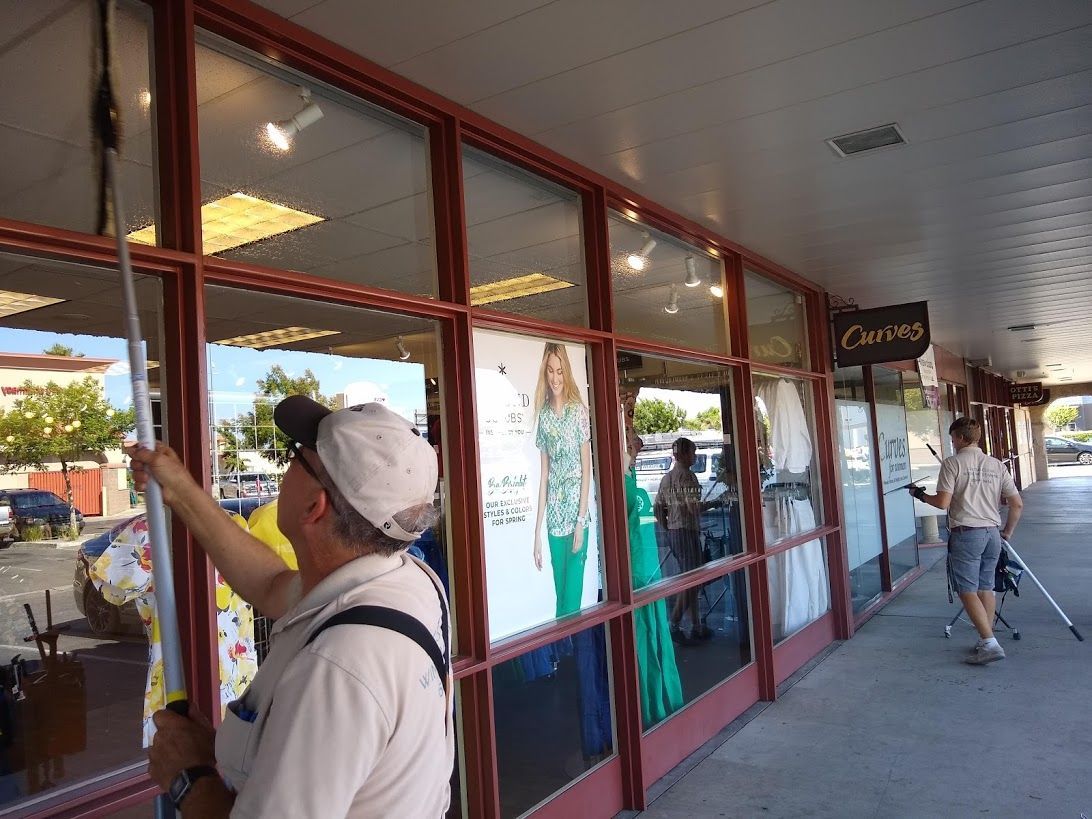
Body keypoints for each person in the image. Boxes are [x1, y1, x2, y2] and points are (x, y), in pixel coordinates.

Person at [129, 399, 453, 817]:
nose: (285, 469)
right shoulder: (404, 580)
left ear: (314, 506)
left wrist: (187, 775)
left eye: (296, 457)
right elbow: (269, 584)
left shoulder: (338, 665)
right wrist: (180, 489)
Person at [909, 417, 1023, 665]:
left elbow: (942, 503)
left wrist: (919, 494)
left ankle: (990, 643)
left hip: (967, 533)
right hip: (992, 533)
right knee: (986, 587)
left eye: (952, 438)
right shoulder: (996, 465)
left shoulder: (953, 463)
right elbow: (1017, 504)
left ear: (960, 437)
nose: (952, 443)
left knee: (967, 589)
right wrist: (1007, 532)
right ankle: (986, 640)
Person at [531, 343, 592, 618]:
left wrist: (580, 521)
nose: (555, 378)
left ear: (566, 372)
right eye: (550, 371)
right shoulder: (543, 417)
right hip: (554, 520)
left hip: (577, 518)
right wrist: (536, 534)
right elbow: (544, 476)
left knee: (572, 602)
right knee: (561, 600)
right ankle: (562, 644)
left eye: (559, 371)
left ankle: (569, 642)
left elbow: (586, 470)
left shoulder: (578, 411)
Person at [653, 437, 721, 643]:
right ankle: (674, 624)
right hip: (687, 532)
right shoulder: (688, 477)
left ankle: (696, 625)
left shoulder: (667, 478)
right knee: (692, 581)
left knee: (691, 578)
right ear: (683, 454)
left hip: (675, 533)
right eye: (692, 452)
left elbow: (657, 508)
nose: (695, 456)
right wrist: (716, 502)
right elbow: (693, 508)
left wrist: (667, 527)